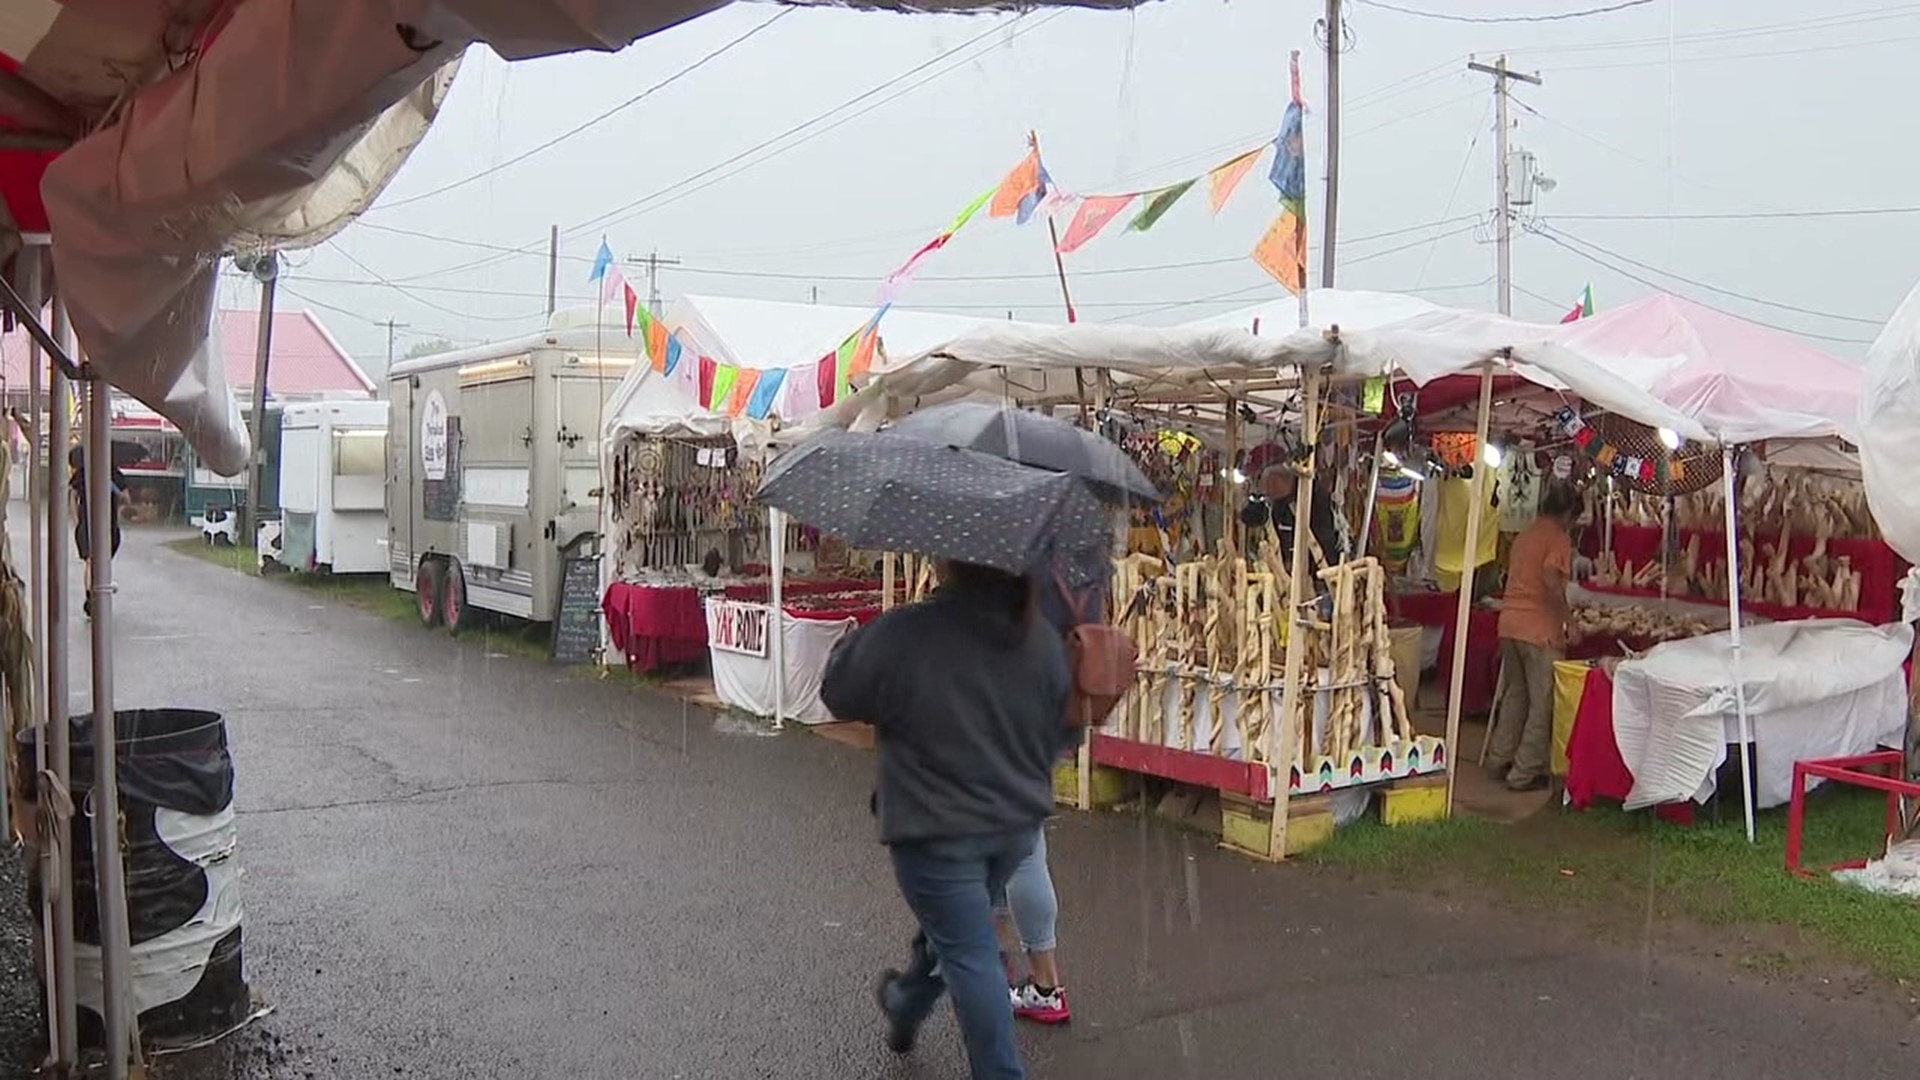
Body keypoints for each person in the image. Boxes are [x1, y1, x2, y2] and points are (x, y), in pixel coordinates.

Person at [822, 559, 1068, 1080]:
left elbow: (839, 690)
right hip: (1014, 825)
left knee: (971, 952)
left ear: (946, 560)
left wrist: (862, 645)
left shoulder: (909, 631)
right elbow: (1064, 730)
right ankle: (907, 1001)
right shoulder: (1040, 639)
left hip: (934, 830)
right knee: (958, 929)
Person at [1486, 481, 1579, 792]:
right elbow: (1552, 578)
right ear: (1567, 514)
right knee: (1541, 703)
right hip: (1539, 629)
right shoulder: (1558, 539)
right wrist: (1569, 620)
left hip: (1509, 623)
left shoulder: (1525, 535)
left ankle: (1500, 758)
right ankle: (1524, 772)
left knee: (1515, 695)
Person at [69, 444, 130, 618]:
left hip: (102, 525)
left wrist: (117, 493)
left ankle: (93, 594)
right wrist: (76, 519)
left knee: (95, 563)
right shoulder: (88, 473)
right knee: (93, 561)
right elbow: (72, 495)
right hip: (93, 524)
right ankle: (93, 597)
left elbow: (126, 500)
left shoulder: (110, 475)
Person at [1240, 464, 1343, 564]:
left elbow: (1325, 538)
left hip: (1318, 562)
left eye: (1268, 488)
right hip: (1294, 564)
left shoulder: (1315, 498)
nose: (1267, 493)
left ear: (1277, 482)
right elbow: (1260, 520)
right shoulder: (1279, 506)